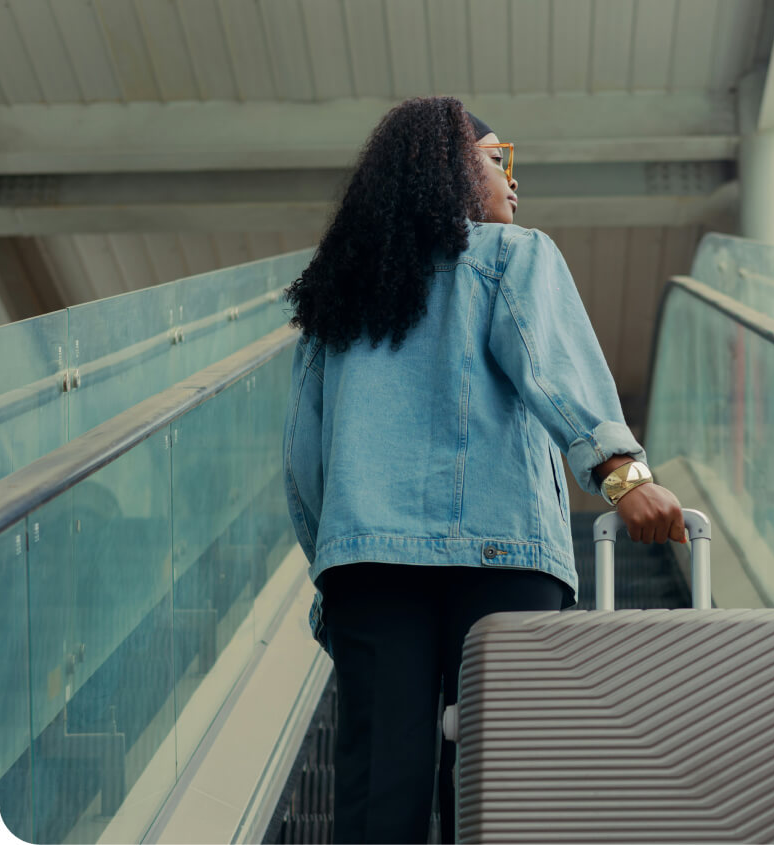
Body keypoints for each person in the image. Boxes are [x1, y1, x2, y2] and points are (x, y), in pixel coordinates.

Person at [282, 96, 686, 844]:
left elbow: (304, 462)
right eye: (501, 161)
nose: (514, 182)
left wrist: (335, 564)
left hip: (368, 566)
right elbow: (555, 371)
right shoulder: (510, 256)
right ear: (450, 170)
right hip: (504, 553)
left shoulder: (338, 296)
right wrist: (625, 480)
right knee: (502, 793)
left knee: (377, 796)